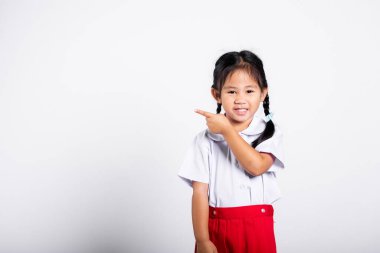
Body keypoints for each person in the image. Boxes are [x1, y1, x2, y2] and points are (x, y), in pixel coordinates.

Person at [178, 50, 285, 253]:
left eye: (249, 91)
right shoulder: (204, 141)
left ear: (263, 93)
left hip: (257, 228)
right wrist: (202, 240)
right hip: (216, 226)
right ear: (217, 95)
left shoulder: (269, 132)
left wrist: (227, 130)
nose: (240, 99)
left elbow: (257, 166)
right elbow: (199, 192)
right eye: (232, 91)